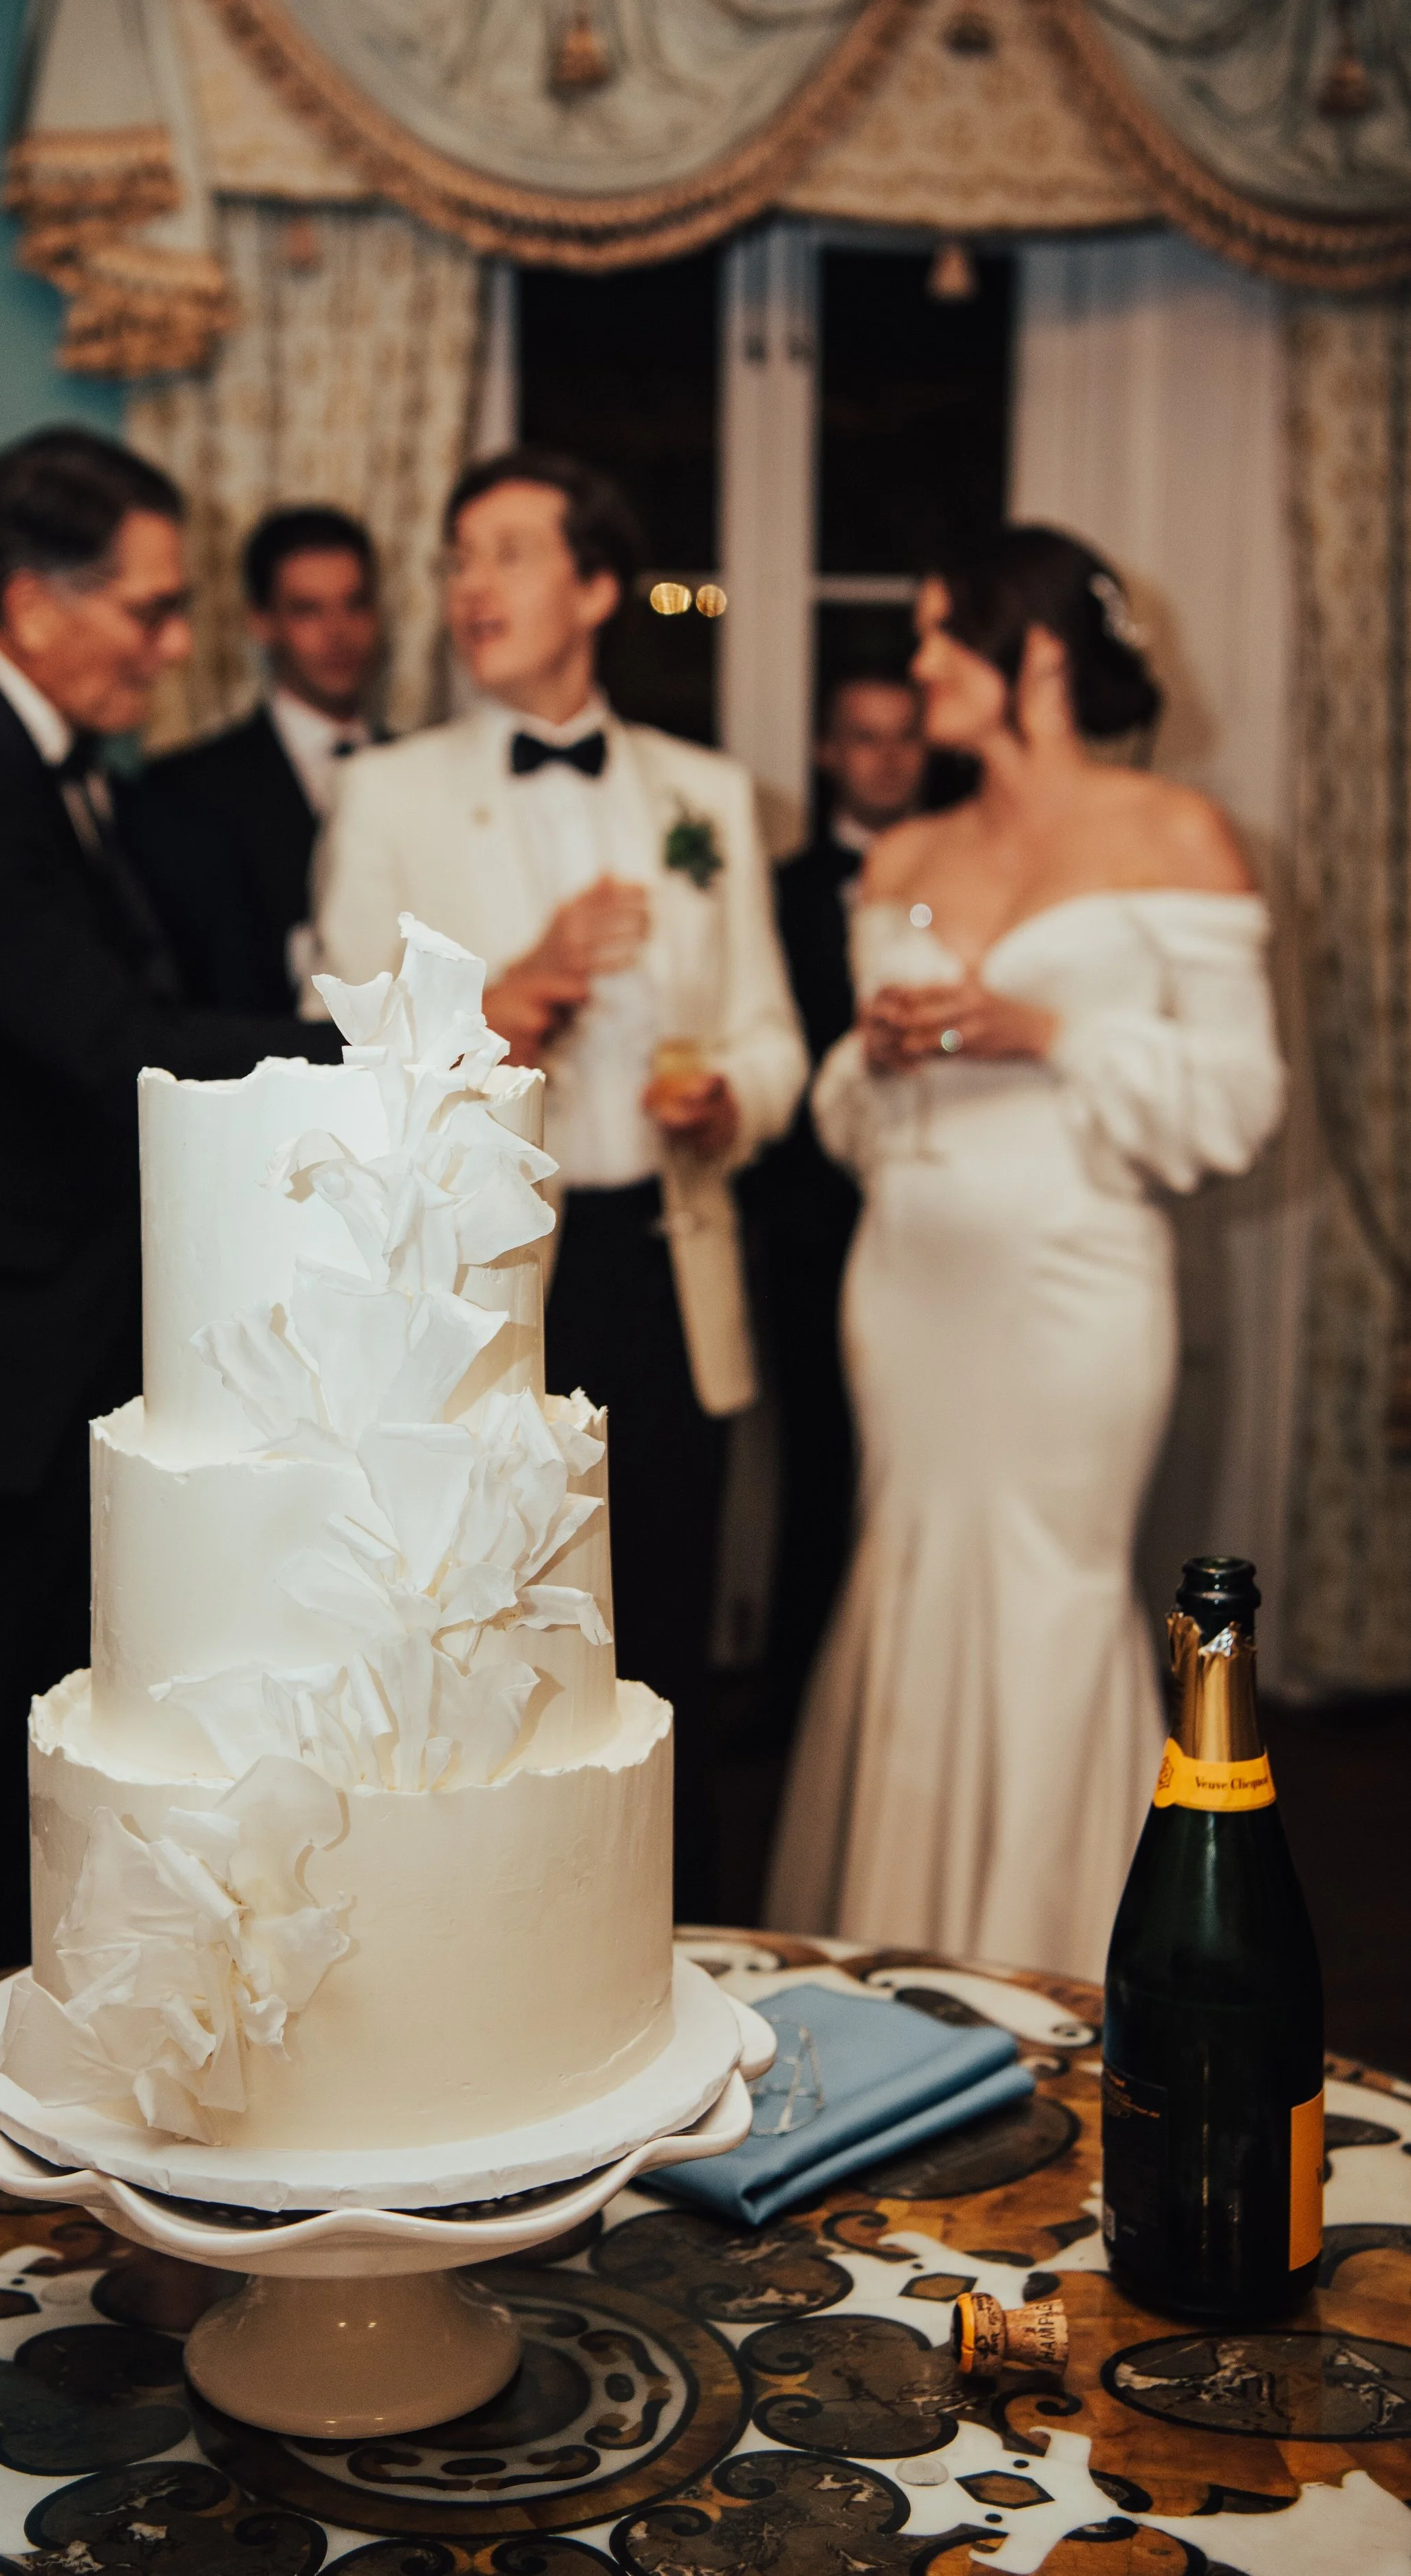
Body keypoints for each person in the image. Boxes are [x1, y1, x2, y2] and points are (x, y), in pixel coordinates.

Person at [0, 428, 342, 2007]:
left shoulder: (42, 765)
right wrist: (375, 1044)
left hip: (31, 1357)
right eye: (151, 609)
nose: (174, 648)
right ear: (33, 600)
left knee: (6, 1794)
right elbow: (103, 1045)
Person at [766, 524, 1285, 1981]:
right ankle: (900, 1949)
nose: (921, 660)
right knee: (906, 1568)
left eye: (945, 632)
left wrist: (1045, 1029)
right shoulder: (908, 853)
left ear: (1037, 651)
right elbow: (850, 1113)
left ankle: (1056, 1959)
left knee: (1052, 1581)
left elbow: (1240, 1100)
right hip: (907, 1275)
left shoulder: (1174, 835)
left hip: (1073, 1278)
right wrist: (873, 1059)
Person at [316, 446, 806, 1918]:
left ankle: (683, 1938)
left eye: (508, 553)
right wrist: (514, 985)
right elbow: (348, 1046)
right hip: (483, 1285)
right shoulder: (387, 793)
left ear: (596, 588)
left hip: (664, 1263)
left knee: (658, 1636)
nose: (470, 586)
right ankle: (493, 1934)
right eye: (457, 557)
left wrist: (730, 1097)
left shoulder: (707, 795)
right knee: (491, 1631)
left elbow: (774, 1034)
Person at [744, 668, 927, 1744]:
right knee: (819, 1467)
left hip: (938, 1216)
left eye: (904, 736)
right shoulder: (779, 891)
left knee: (923, 1461)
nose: (887, 757)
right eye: (865, 736)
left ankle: (912, 1701)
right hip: (813, 1223)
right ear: (827, 751)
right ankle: (798, 1708)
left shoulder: (966, 875)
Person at [123, 506, 384, 1015]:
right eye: (307, 610)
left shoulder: (426, 769)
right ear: (261, 622)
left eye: (355, 604)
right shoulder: (183, 788)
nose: (338, 631)